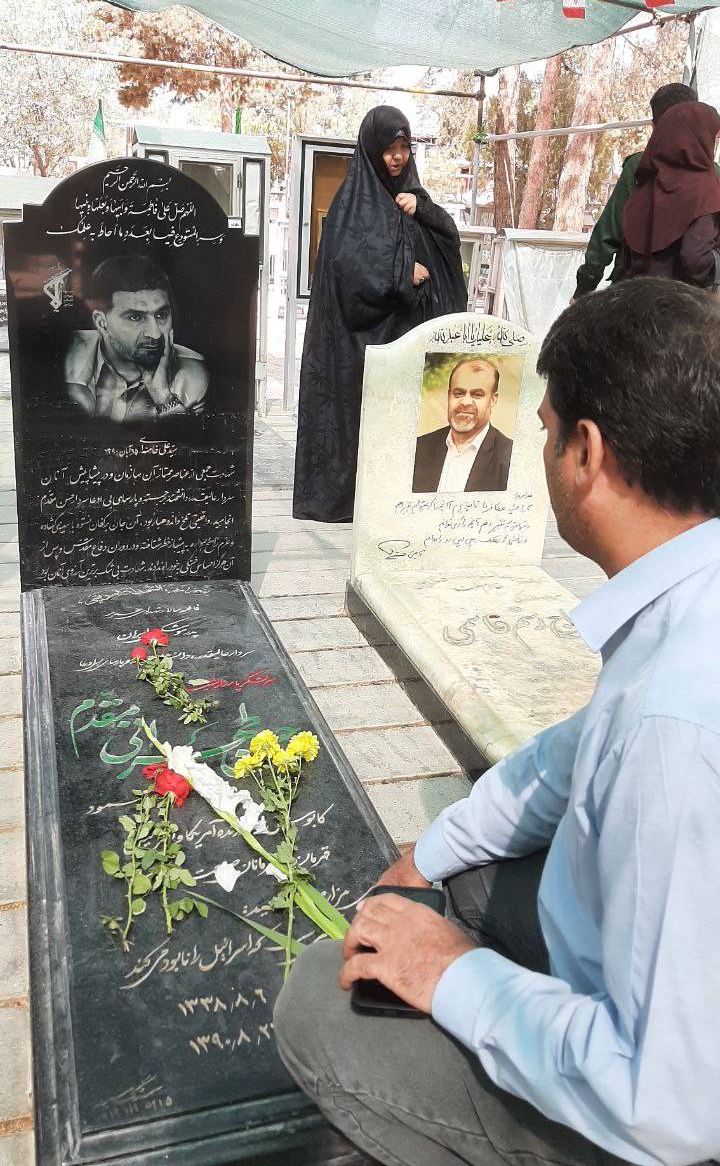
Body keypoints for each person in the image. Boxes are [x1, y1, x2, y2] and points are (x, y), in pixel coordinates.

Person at [275, 276, 720, 1166]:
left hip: (664, 1111)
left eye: (547, 431)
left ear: (586, 453)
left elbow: (671, 1104)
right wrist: (431, 851)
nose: (539, 449)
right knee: (465, 868)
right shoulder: (685, 598)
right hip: (657, 1005)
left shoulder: (676, 730)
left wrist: (449, 972)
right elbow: (574, 753)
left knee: (318, 1005)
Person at [293, 105, 467, 523]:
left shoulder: (413, 195)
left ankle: (397, 500)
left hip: (406, 339)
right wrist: (401, 273)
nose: (397, 157)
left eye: (404, 147)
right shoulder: (351, 205)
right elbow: (346, 267)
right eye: (389, 148)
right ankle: (354, 500)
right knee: (362, 419)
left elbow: (449, 240)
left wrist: (423, 210)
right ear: (372, 149)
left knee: (402, 425)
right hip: (362, 343)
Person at [572, 82, 698, 300]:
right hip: (692, 301)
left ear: (654, 126)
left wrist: (583, 290)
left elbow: (608, 235)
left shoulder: (640, 167)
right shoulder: (713, 175)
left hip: (635, 295)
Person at [65, 255, 208, 422]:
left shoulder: (195, 377)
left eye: (161, 315)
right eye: (135, 317)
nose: (155, 334)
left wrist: (164, 397)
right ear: (102, 323)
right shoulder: (63, 357)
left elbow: (187, 438)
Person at [622, 100, 720, 288]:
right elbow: (695, 259)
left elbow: (627, 258)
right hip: (681, 301)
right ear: (700, 139)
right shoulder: (705, 187)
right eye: (713, 137)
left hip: (638, 297)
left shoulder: (645, 187)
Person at [412, 357, 513, 493]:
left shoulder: (510, 458)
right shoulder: (419, 448)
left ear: (493, 400)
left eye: (477, 394)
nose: (465, 402)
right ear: (449, 395)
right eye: (458, 393)